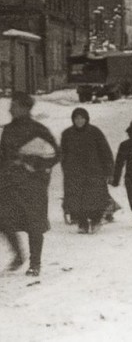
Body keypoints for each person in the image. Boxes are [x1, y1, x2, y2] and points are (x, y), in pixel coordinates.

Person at [0, 93, 60, 276]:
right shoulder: (8, 129)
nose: (10, 109)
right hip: (9, 183)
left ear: (25, 108)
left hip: (32, 184)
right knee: (4, 220)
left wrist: (35, 163)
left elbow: (55, 154)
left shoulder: (38, 129)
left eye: (14, 105)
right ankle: (18, 255)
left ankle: (35, 263)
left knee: (34, 224)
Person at [60, 108, 114, 234]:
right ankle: (82, 223)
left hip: (94, 172)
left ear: (86, 119)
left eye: (81, 118)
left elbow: (105, 152)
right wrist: (67, 169)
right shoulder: (67, 134)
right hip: (75, 173)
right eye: (76, 118)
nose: (79, 121)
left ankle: (95, 221)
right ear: (73, 119)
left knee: (95, 198)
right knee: (77, 199)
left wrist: (109, 171)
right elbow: (63, 154)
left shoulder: (95, 132)